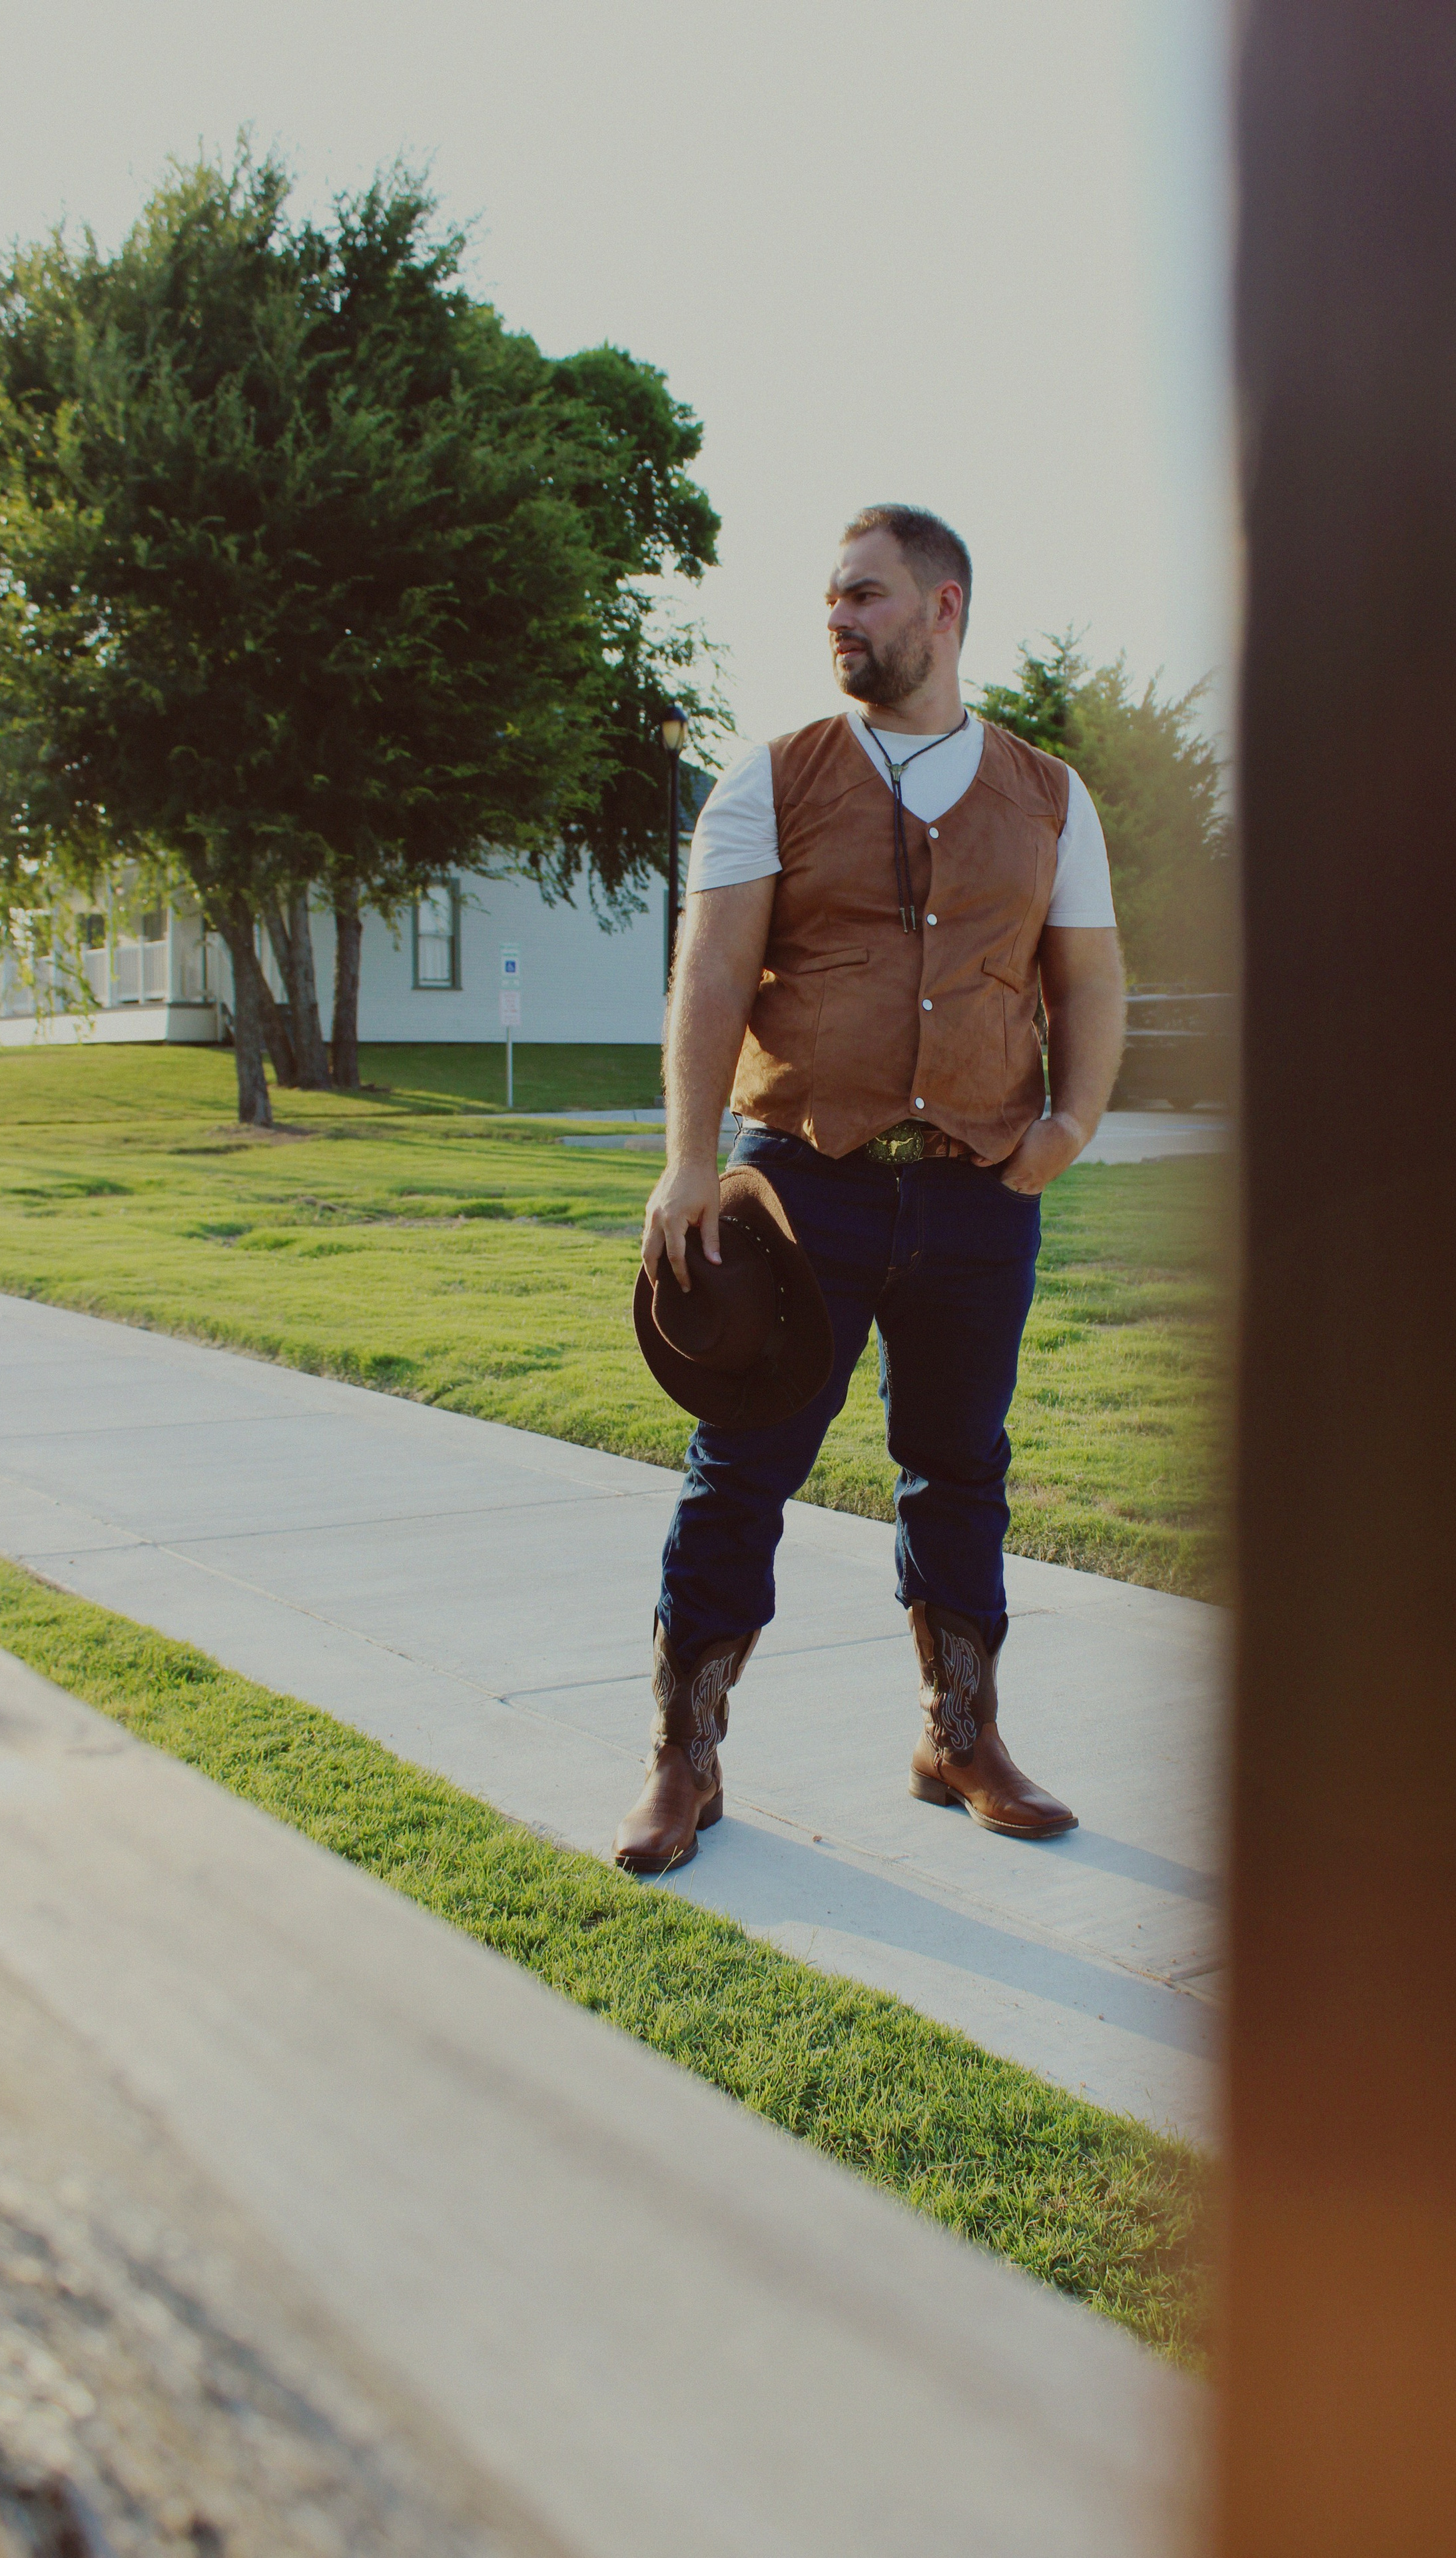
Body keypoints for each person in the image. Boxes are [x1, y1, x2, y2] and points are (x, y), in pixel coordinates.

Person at [613, 504, 1125, 1874]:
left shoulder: (1046, 795)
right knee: (740, 1469)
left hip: (975, 1194)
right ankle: (685, 1758)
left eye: (864, 595)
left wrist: (1067, 1125)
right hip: (796, 1189)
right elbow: (711, 978)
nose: (836, 618)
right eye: (829, 599)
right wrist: (685, 1162)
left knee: (959, 1469)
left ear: (942, 608)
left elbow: (1087, 980)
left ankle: (960, 1735)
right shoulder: (767, 777)